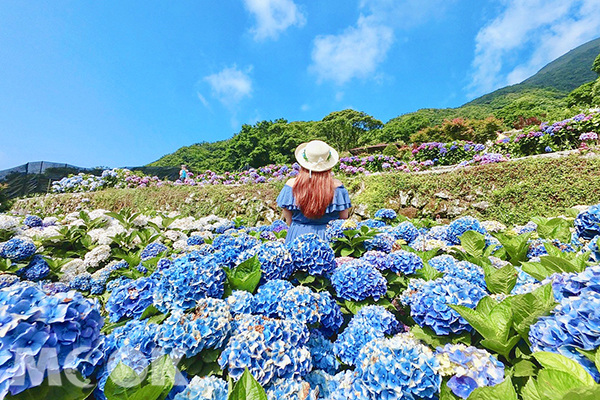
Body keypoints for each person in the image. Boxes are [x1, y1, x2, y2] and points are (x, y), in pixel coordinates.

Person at [276, 140, 352, 244]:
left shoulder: (291, 185)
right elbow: (343, 218)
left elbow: (288, 218)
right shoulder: (337, 186)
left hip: (297, 235)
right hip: (327, 237)